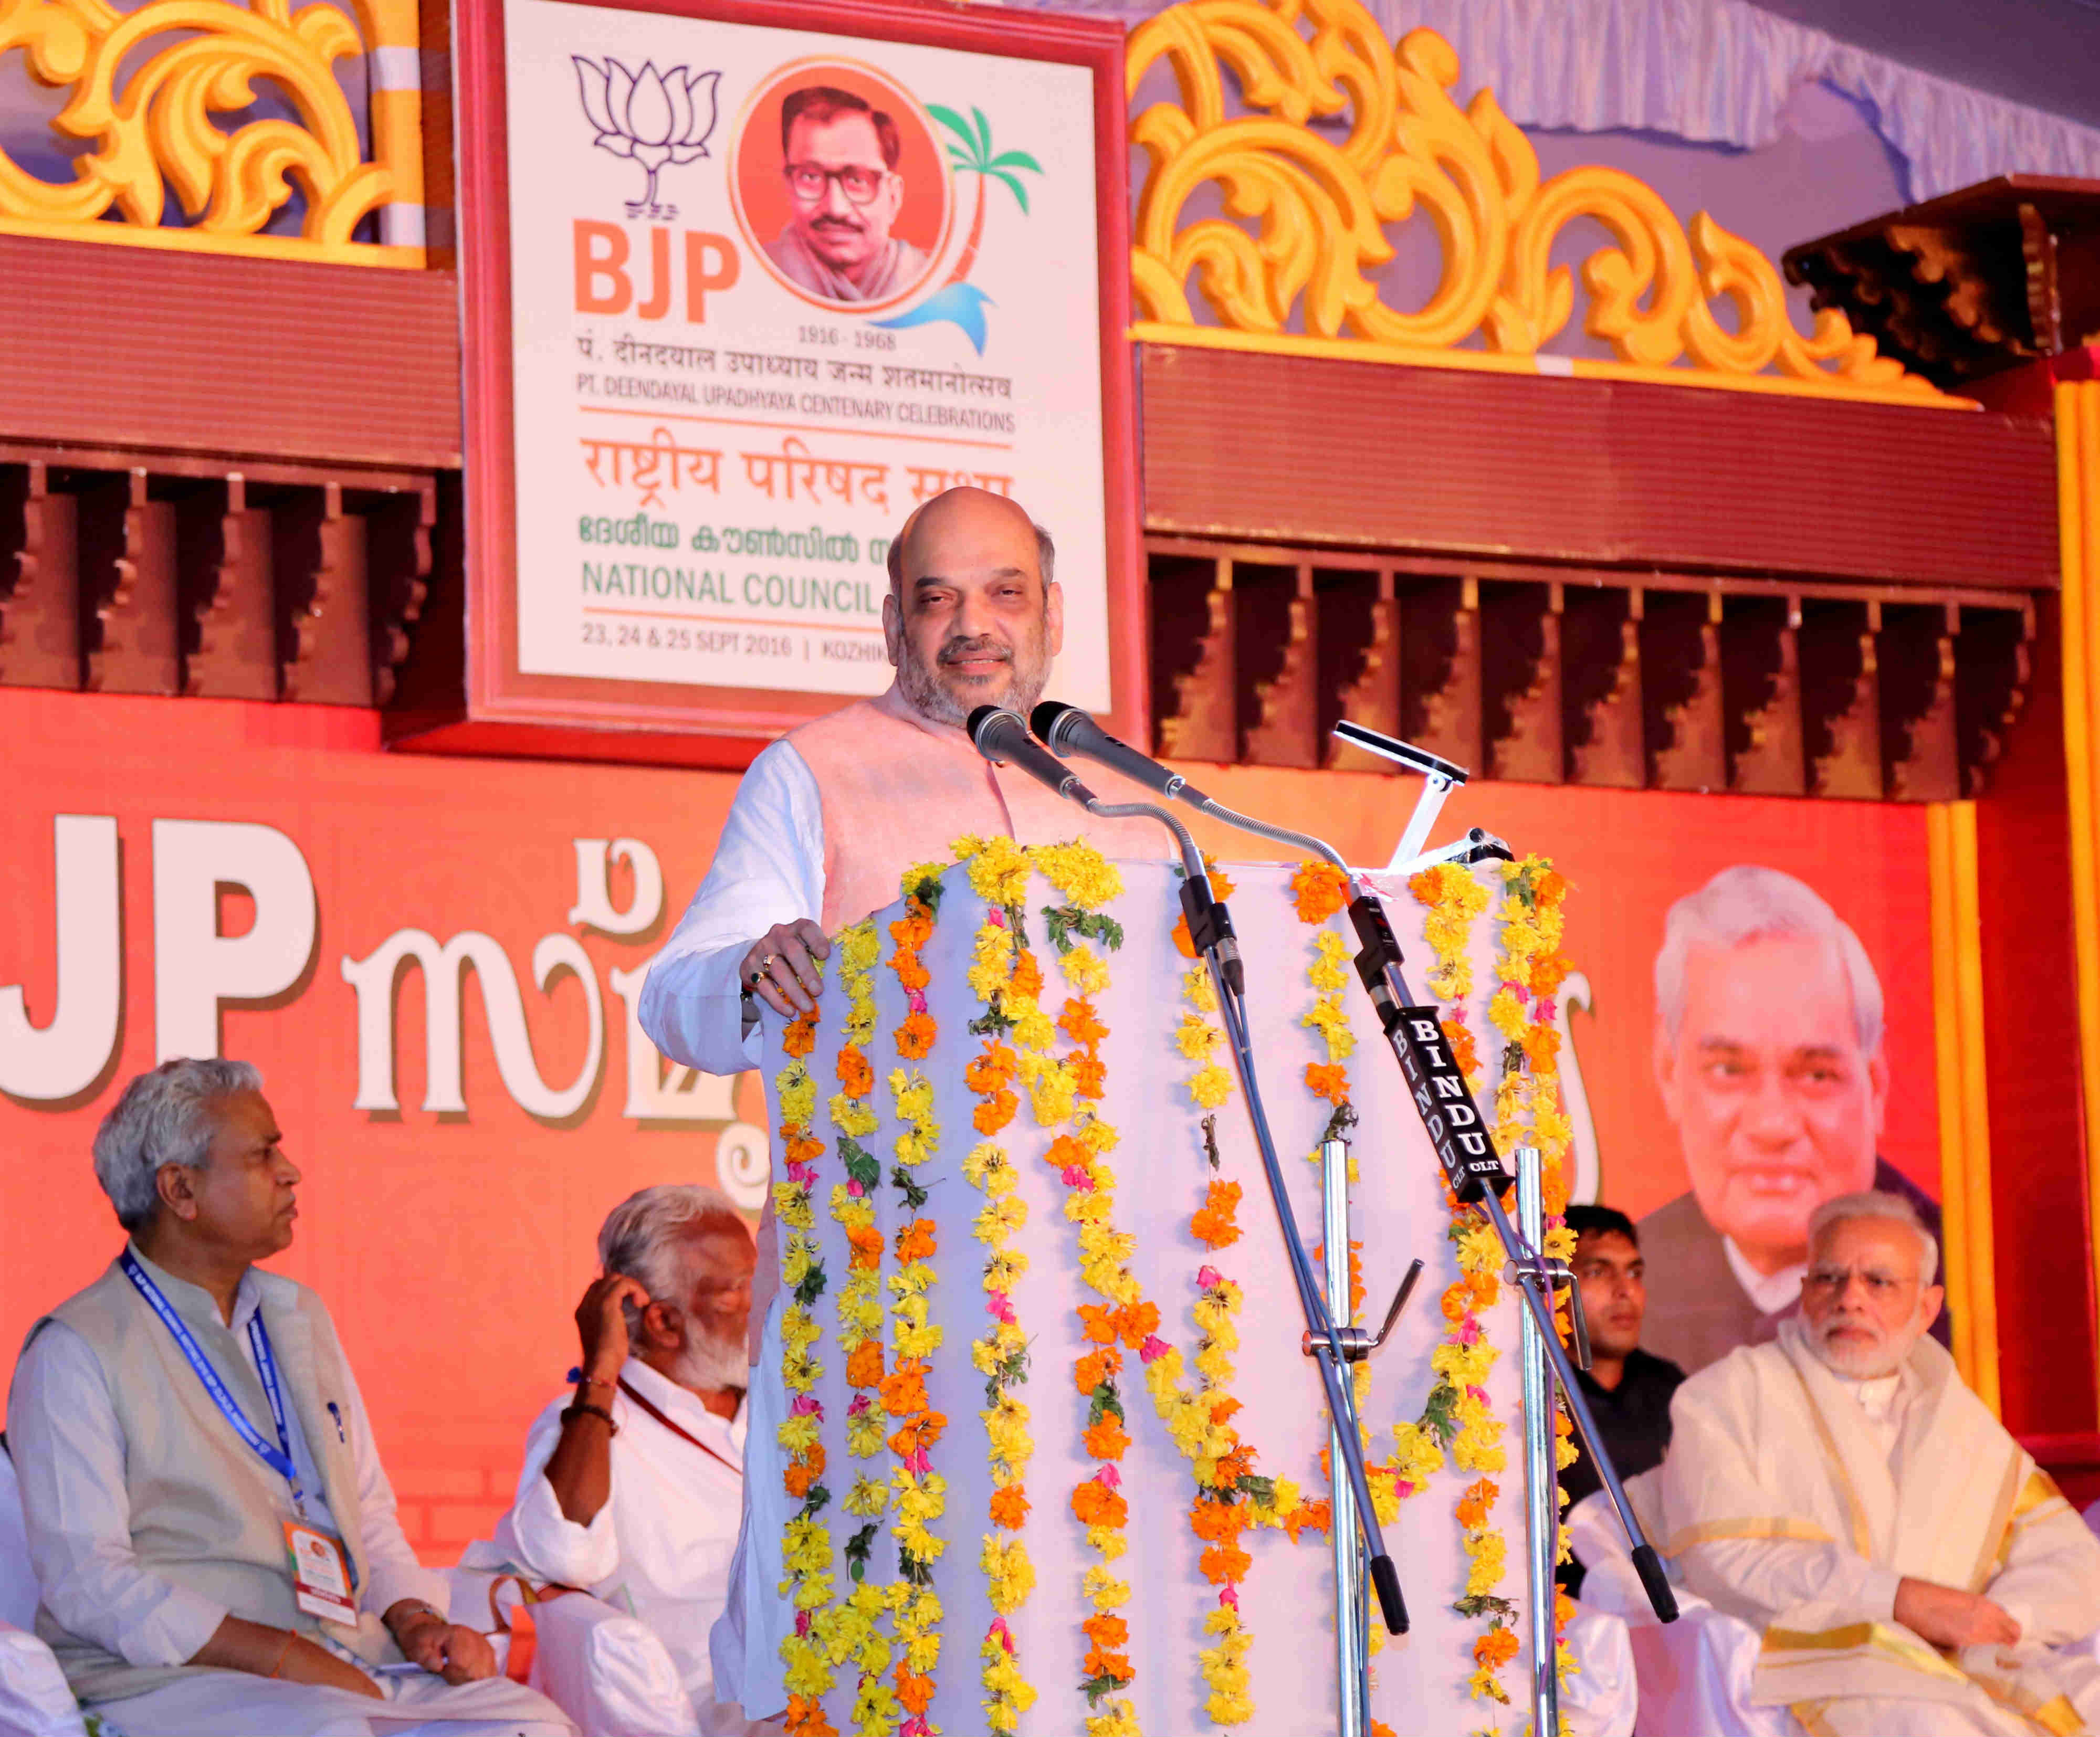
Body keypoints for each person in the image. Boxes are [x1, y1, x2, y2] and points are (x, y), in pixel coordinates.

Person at [638, 486, 1172, 1725]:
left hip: (1108, 1307)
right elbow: (677, 994)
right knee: (845, 1650)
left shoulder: (1118, 791)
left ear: (1051, 613)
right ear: (891, 620)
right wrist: (749, 968)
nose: (969, 624)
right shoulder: (814, 772)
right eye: (935, 597)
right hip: (882, 1306)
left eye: (999, 593)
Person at [6, 1059, 571, 1737]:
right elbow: (88, 1581)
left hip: (344, 1659)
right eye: (261, 1154)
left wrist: (417, 1618)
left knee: (531, 1723)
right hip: (178, 1681)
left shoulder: (299, 1315)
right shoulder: (75, 1348)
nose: (291, 1171)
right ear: (179, 1189)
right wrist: (279, 1654)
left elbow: (366, 1509)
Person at [1651, 1191, 2100, 1734]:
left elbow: (2072, 1561)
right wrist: (1898, 1601)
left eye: (1879, 1282)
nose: (1850, 1299)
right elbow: (1724, 1561)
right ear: (1803, 1292)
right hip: (1822, 1655)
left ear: (1928, 1308)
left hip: (1973, 1656)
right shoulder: (1726, 1397)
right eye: (1829, 1279)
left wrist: (2005, 1621)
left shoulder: (1954, 1414)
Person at [1636, 865, 1948, 1374]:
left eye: (1816, 1075)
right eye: (1728, 1070)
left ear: (1875, 1087)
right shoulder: (1617, 1286)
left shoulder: (1974, 1284)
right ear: (1669, 1074)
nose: (1772, 1125)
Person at [481, 1186, 759, 1735]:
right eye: (739, 1289)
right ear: (663, 1322)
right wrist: (601, 1370)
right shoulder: (590, 1422)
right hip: (716, 1704)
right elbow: (563, 1555)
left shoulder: (788, 1406)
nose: (767, 1301)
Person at [1558, 1205, 1684, 1598]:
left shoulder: (1670, 1387)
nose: (1625, 1290)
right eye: (1597, 1271)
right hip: (1571, 1623)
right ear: (1553, 1283)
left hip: (1668, 1605)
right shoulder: (1529, 1390)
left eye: (1634, 1272)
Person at [762, 85, 927, 302]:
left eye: (858, 180)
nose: (836, 208)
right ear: (789, 185)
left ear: (894, 197)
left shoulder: (933, 286)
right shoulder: (756, 275)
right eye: (811, 177)